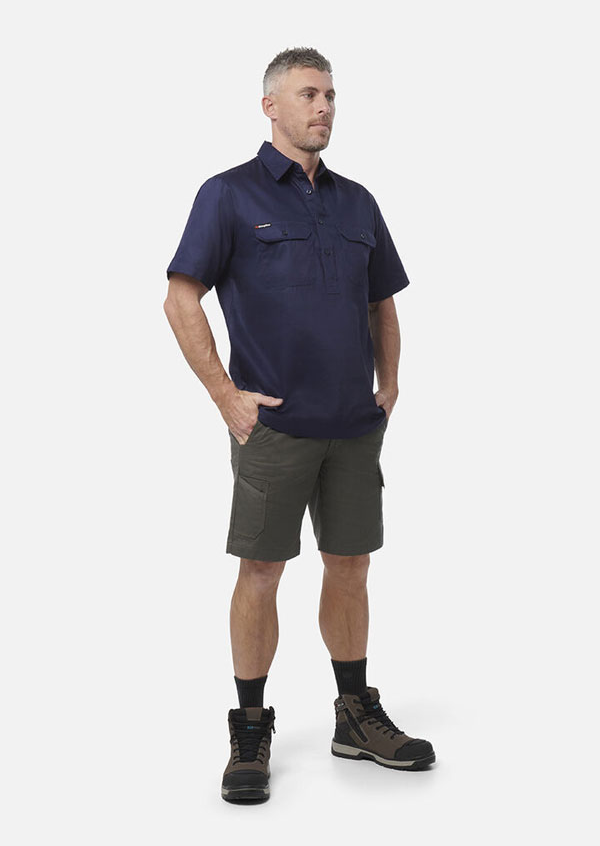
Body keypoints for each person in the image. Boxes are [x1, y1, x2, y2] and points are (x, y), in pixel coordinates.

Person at [164, 46, 436, 804]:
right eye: (309, 94)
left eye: (331, 96)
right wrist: (226, 396)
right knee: (261, 572)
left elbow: (383, 302)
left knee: (351, 567)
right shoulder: (227, 194)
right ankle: (250, 727)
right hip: (274, 429)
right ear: (271, 106)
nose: (324, 107)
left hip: (353, 426)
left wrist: (388, 386)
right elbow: (180, 298)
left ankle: (355, 715)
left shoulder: (357, 202)